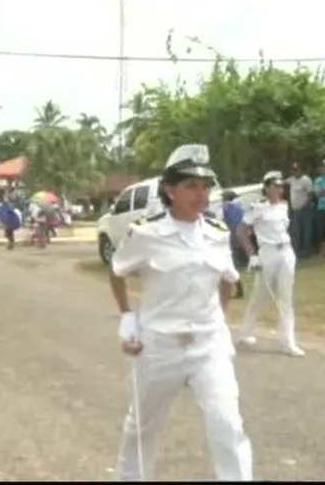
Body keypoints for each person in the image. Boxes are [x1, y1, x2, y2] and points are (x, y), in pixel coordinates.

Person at [108, 144, 252, 481]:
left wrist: (218, 319)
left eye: (205, 186)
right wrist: (128, 322)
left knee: (228, 425)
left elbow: (228, 279)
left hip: (208, 345)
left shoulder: (217, 234)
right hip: (159, 346)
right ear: (170, 190)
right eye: (190, 186)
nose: (200, 194)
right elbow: (117, 271)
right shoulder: (145, 233)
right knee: (142, 428)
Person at [236, 171, 305, 357]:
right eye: (275, 186)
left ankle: (288, 341)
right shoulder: (257, 208)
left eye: (281, 187)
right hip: (267, 252)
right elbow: (241, 231)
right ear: (266, 188)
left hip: (286, 251)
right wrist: (252, 255)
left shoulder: (284, 206)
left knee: (286, 297)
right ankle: (246, 332)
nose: (279, 190)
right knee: (260, 295)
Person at [221, 190, 248, 298]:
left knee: (232, 260)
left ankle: (239, 289)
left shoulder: (226, 207)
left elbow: (224, 221)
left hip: (232, 233)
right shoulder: (240, 207)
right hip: (242, 231)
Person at [287, 162, 314, 258]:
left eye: (297, 170)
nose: (295, 172)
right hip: (295, 210)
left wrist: (304, 205)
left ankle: (307, 250)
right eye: (293, 170)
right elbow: (282, 182)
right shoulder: (292, 179)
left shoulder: (306, 180)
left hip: (305, 209)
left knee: (306, 230)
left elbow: (310, 195)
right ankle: (297, 251)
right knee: (296, 231)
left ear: (301, 170)